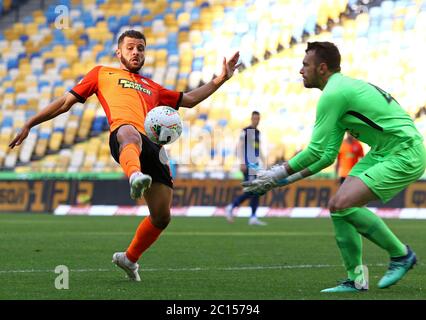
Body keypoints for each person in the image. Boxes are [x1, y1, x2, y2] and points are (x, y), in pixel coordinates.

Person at [9, 30, 240, 281]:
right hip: (124, 135)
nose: (135, 52)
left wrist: (221, 79)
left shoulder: (154, 87)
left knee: (162, 217)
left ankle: (129, 259)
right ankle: (134, 176)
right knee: (129, 131)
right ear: (118, 52)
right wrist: (31, 123)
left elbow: (191, 99)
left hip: (153, 147)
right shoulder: (101, 73)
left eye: (140, 48)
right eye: (130, 48)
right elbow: (65, 102)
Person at [243, 41, 426, 292]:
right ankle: (356, 279)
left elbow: (315, 151)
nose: (300, 70)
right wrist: (287, 179)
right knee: (337, 207)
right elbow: (328, 155)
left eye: (305, 65)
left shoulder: (333, 94)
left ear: (322, 68)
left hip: (405, 152)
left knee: (343, 204)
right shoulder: (340, 91)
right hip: (384, 151)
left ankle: (401, 254)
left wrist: (276, 174)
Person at [225, 111, 267, 226]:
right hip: (248, 164)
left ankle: (253, 216)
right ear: (251, 119)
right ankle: (232, 206)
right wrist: (242, 162)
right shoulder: (246, 131)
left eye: (258, 119)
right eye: (254, 118)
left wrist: (265, 162)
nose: (256, 121)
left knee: (256, 190)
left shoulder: (258, 132)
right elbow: (239, 145)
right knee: (253, 189)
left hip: (255, 164)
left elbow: (258, 149)